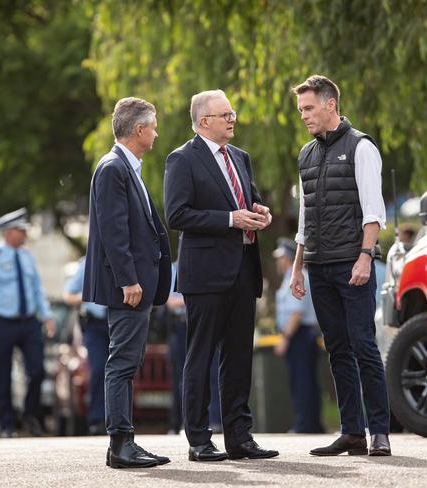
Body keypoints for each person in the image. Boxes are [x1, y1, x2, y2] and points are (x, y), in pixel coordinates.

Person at [164, 89, 278, 461]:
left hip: (244, 271)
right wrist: (230, 220)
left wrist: (260, 212)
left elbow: (249, 199)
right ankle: (199, 439)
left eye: (233, 112)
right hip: (206, 275)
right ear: (204, 122)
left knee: (239, 358)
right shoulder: (182, 159)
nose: (233, 119)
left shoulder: (240, 158)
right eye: (225, 114)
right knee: (200, 357)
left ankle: (240, 437)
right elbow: (177, 215)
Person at [290, 75, 391, 456]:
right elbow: (304, 216)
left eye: (309, 108)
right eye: (301, 110)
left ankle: (379, 431)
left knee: (364, 346)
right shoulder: (306, 154)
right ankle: (352, 432)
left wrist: (366, 256)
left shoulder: (361, 147)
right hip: (318, 266)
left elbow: (373, 211)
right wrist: (298, 267)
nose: (304, 116)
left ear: (330, 104)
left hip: (352, 265)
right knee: (337, 350)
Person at [83, 97, 172, 469]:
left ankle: (127, 440)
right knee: (121, 362)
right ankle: (120, 445)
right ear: (139, 130)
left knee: (128, 360)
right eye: (152, 126)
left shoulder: (126, 167)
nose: (155, 133)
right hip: (129, 288)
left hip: (137, 285)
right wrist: (128, 280)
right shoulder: (113, 168)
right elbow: (114, 232)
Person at [0, 208, 56, 438]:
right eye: (20, 230)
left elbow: (37, 289)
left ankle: (30, 415)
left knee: (38, 370)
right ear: (8, 232)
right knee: (4, 374)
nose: (24, 234)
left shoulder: (28, 256)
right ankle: (7, 426)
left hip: (29, 322)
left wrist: (47, 315)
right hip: (2, 322)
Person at [272, 237, 324, 434]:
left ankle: (306, 424)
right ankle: (311, 423)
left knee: (302, 381)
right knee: (304, 380)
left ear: (287, 259)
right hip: (300, 335)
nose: (278, 262)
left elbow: (296, 312)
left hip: (300, 334)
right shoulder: (291, 277)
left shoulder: (298, 277)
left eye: (281, 258)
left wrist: (285, 338)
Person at [165, 261, 222, 435]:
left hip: (206, 322)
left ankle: (215, 421)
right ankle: (186, 422)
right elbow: (170, 302)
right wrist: (197, 298)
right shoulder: (174, 268)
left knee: (213, 373)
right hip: (183, 326)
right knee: (185, 374)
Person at [63, 257, 109, 435]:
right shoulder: (88, 262)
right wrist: (92, 294)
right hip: (96, 325)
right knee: (98, 368)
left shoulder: (127, 256)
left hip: (120, 322)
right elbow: (68, 295)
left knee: (122, 369)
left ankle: (120, 418)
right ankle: (97, 419)